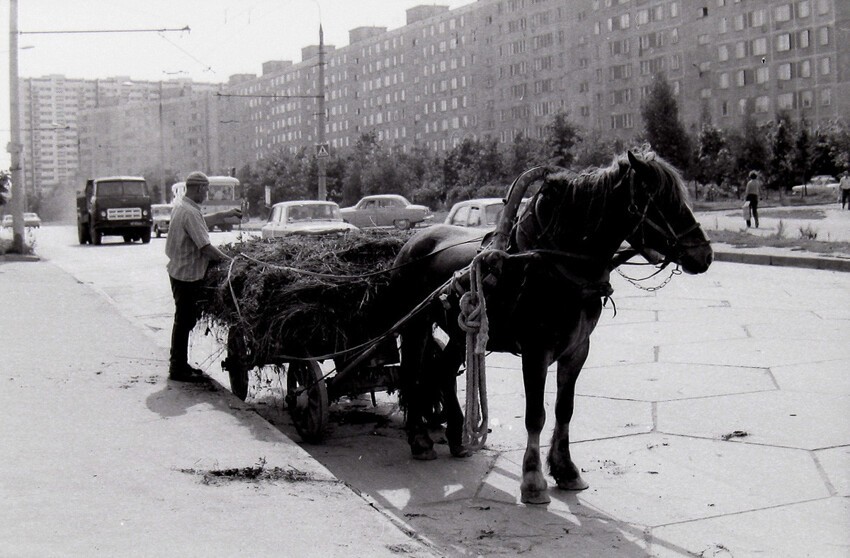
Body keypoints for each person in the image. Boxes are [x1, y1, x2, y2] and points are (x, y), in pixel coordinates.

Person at [165, 171, 242, 382]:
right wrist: (230, 261)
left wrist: (224, 214)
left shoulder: (184, 207)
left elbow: (200, 222)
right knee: (184, 321)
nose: (207, 194)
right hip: (187, 275)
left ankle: (178, 365)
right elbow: (206, 247)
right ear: (198, 188)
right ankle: (177, 368)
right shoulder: (189, 212)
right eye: (206, 189)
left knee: (183, 320)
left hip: (179, 271)